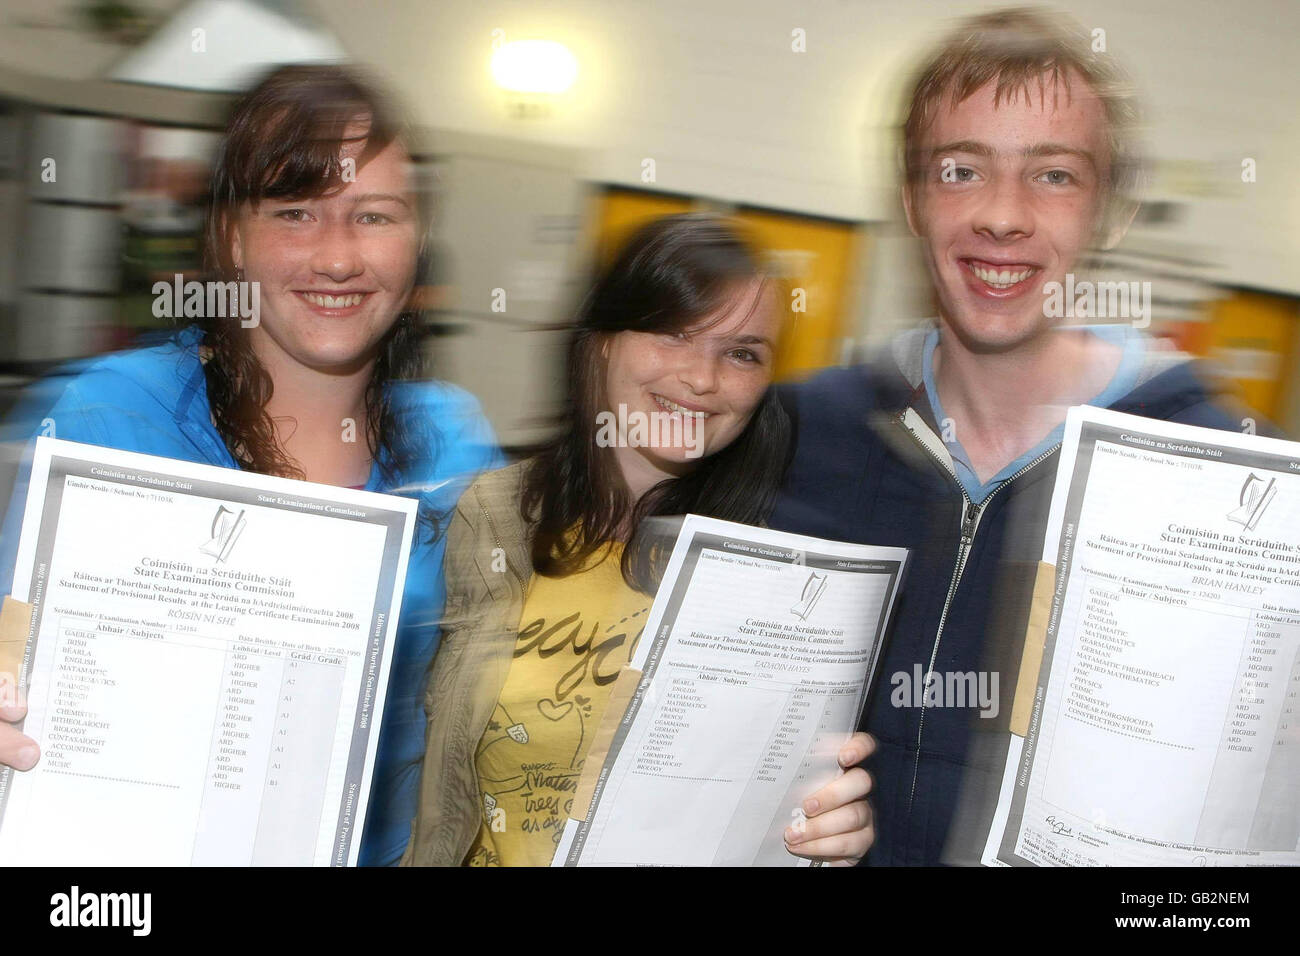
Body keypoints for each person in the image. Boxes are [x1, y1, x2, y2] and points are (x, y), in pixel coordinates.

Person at [768, 7, 1272, 865]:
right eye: (960, 169)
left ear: (1109, 213)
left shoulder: (1220, 487)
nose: (1002, 216)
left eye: (1054, 176)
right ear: (911, 201)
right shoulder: (804, 432)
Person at [0, 64, 501, 867]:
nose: (338, 257)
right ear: (231, 237)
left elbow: (492, 696)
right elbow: (12, 652)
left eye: (373, 216)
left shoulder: (452, 441)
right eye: (293, 212)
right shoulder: (110, 420)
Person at [402, 213, 877, 866]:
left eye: (741, 353)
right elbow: (404, 754)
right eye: (674, 334)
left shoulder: (786, 576)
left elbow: (774, 815)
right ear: (600, 341)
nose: (702, 378)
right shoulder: (490, 517)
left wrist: (824, 837)